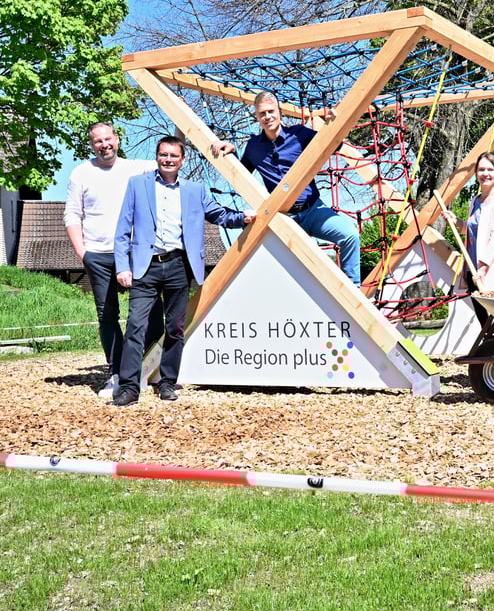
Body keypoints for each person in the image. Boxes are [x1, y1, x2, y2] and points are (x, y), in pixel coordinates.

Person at [109, 136, 255, 407]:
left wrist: (242, 218)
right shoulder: (137, 185)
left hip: (179, 265)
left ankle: (167, 382)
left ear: (182, 160)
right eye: (164, 155)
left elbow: (218, 214)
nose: (168, 160)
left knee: (175, 328)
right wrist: (122, 266)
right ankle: (128, 387)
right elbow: (122, 229)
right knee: (135, 327)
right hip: (145, 266)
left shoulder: (195, 190)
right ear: (157, 156)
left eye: (173, 156)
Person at [211, 91, 360, 285]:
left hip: (313, 210)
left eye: (271, 111)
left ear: (279, 112)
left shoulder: (300, 134)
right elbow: (240, 175)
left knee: (349, 235)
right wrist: (229, 151)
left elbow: (333, 146)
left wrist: (334, 126)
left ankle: (354, 289)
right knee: (293, 266)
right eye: (262, 113)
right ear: (256, 116)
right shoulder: (253, 147)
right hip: (283, 217)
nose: (267, 117)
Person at [64, 122, 164, 398]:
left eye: (108, 138)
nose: (104, 144)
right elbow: (72, 214)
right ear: (92, 144)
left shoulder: (135, 168)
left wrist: (182, 128)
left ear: (117, 139)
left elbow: (170, 156)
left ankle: (147, 369)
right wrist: (83, 253)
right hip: (98, 253)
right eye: (98, 141)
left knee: (151, 311)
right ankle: (117, 372)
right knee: (107, 316)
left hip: (134, 253)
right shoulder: (82, 173)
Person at [442, 152, 494, 324]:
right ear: (476, 174)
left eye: (490, 169)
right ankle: (490, 347)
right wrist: (457, 221)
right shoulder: (475, 201)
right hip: (472, 268)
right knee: (483, 319)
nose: (485, 173)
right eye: (481, 169)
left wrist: (484, 268)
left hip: (491, 269)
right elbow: (476, 230)